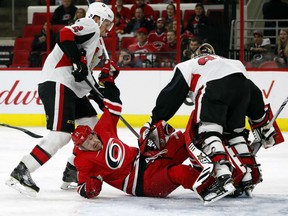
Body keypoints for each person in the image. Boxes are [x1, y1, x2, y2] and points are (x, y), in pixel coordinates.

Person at [6, 2, 116, 196]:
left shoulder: (96, 42)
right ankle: (22, 171)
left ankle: (71, 172)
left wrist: (100, 97)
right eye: (107, 23)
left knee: (92, 126)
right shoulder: (90, 25)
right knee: (61, 135)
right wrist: (76, 61)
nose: (109, 28)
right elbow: (64, 34)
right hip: (58, 82)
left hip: (72, 87)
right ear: (98, 18)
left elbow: (85, 76)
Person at [141, 43, 277, 199]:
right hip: (242, 89)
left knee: (208, 132)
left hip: (214, 87)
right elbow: (252, 91)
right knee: (235, 134)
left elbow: (171, 96)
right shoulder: (231, 62)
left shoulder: (188, 64)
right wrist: (260, 120)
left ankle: (223, 175)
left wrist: (155, 119)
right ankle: (247, 177)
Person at [70, 75, 219, 205]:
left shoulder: (102, 130)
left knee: (188, 137)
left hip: (148, 158)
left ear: (94, 133)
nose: (92, 142)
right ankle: (215, 185)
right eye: (87, 144)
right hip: (144, 182)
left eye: (91, 137)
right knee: (181, 173)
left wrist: (108, 81)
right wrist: (91, 186)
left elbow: (114, 107)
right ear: (82, 148)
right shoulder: (83, 161)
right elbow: (82, 188)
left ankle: (224, 158)